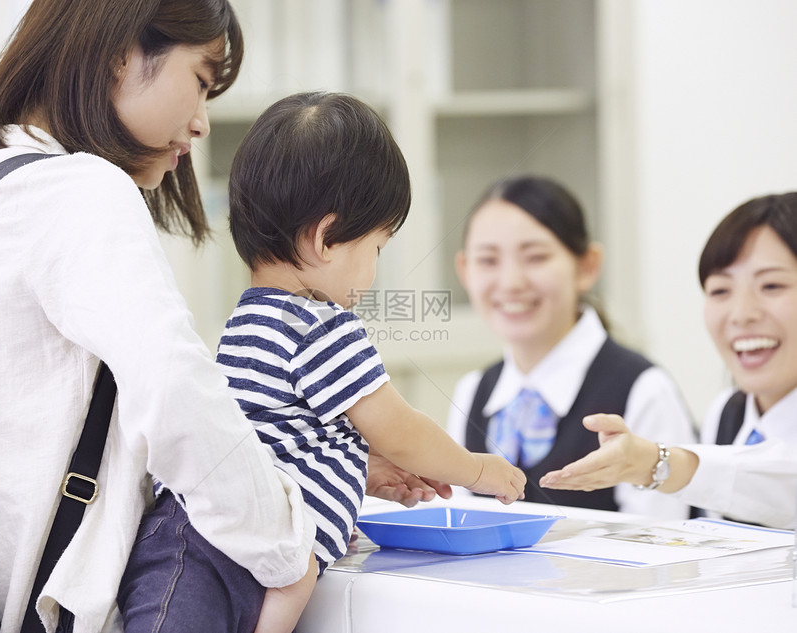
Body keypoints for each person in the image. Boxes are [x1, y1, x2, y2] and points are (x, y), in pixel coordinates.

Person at [0, 2, 320, 632]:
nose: (200, 123)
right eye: (200, 79)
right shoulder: (79, 191)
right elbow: (175, 392)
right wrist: (284, 544)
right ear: (121, 53)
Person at [208, 91, 524, 632]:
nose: (375, 269)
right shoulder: (320, 322)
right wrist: (478, 469)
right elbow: (399, 430)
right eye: (377, 247)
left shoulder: (246, 322)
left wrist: (358, 469)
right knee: (297, 574)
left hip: (210, 534)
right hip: (261, 561)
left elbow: (279, 441)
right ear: (327, 238)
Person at [540, 192, 797, 530]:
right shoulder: (727, 413)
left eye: (772, 285)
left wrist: (654, 463)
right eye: (720, 291)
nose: (742, 314)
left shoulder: (639, 383)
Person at [447, 175, 697, 518]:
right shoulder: (473, 391)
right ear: (465, 270)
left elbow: (660, 546)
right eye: (488, 260)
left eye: (535, 257)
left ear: (587, 265)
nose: (510, 282)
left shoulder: (643, 390)